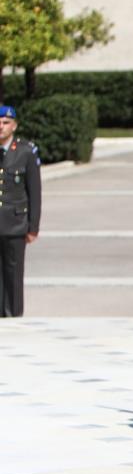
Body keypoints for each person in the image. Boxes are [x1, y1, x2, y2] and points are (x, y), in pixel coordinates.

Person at [0, 105, 41, 317]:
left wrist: (33, 226)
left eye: (6, 122)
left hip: (15, 224)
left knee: (13, 274)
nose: (1, 126)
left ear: (14, 126)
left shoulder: (25, 151)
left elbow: (34, 192)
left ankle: (14, 316)